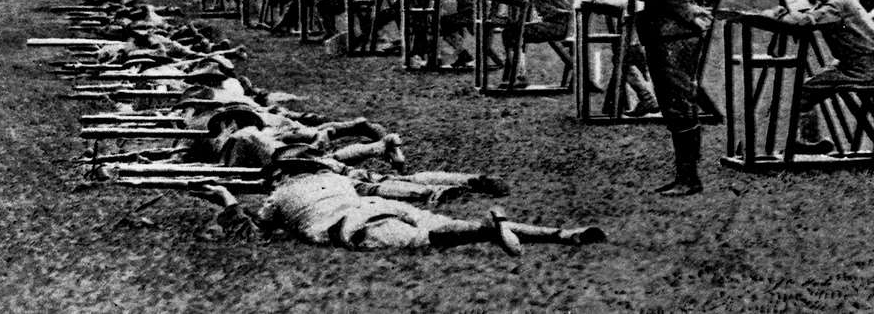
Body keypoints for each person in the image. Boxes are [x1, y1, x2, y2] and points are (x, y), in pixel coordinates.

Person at [194, 150, 606, 255]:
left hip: (350, 224)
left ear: (282, 175)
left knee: (424, 241)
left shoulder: (280, 194)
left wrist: (228, 201)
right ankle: (562, 234)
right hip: (370, 208)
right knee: (436, 222)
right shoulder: (333, 176)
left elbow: (255, 235)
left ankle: (486, 229)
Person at [633, 0, 713, 197]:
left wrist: (690, 12)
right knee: (679, 99)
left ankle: (688, 178)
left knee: (676, 100)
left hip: (670, 33)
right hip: (677, 31)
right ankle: (686, 175)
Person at [770, 0, 874, 152]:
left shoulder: (837, 3)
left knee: (804, 92)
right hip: (860, 64)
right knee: (808, 88)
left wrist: (777, 16)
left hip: (862, 68)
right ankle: (810, 142)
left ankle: (809, 143)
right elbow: (813, 16)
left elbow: (806, 22)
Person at [491, 0, 572, 86]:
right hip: (553, 23)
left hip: (558, 25)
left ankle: (519, 77)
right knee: (512, 32)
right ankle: (517, 75)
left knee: (513, 33)